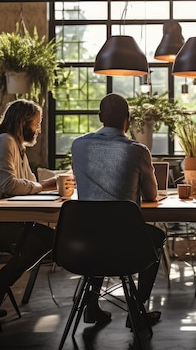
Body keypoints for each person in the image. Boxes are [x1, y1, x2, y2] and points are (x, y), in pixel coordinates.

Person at [71, 93, 166, 327]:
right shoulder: (137, 150)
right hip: (125, 242)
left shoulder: (78, 145)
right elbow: (152, 196)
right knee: (156, 238)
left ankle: (92, 305)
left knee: (99, 234)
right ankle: (136, 309)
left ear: (100, 117)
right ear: (128, 119)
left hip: (83, 240)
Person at [0, 99, 57, 320]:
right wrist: (45, 186)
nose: (38, 129)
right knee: (38, 242)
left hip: (2, 223)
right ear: (23, 122)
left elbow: (29, 185)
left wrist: (47, 188)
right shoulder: (4, 142)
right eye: (36, 123)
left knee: (50, 238)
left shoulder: (18, 147)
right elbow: (8, 186)